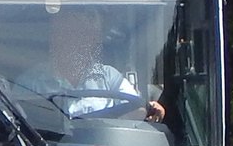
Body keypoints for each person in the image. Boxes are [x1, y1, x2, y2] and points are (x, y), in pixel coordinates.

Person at [19, 7, 165, 121]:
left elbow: (136, 108)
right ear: (54, 38)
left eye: (83, 35)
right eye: (68, 34)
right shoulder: (32, 81)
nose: (76, 43)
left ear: (93, 41)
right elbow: (15, 120)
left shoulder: (109, 77)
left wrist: (148, 109)